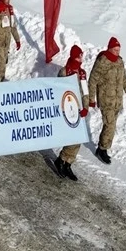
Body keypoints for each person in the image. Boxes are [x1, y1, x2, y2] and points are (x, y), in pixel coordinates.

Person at [88, 37, 126, 165]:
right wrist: (91, 99)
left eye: (119, 49)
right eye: (115, 49)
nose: (117, 52)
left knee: (109, 126)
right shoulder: (102, 61)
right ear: (109, 48)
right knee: (110, 125)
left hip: (116, 101)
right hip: (106, 100)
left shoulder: (119, 62)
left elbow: (124, 79)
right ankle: (102, 149)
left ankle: (103, 148)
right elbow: (92, 80)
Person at [54, 45, 89, 181]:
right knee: (71, 136)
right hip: (68, 108)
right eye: (80, 55)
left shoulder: (82, 73)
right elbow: (59, 90)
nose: (81, 58)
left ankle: (68, 163)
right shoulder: (64, 72)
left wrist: (85, 107)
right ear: (74, 56)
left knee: (78, 138)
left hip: (79, 109)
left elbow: (85, 92)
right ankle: (61, 159)